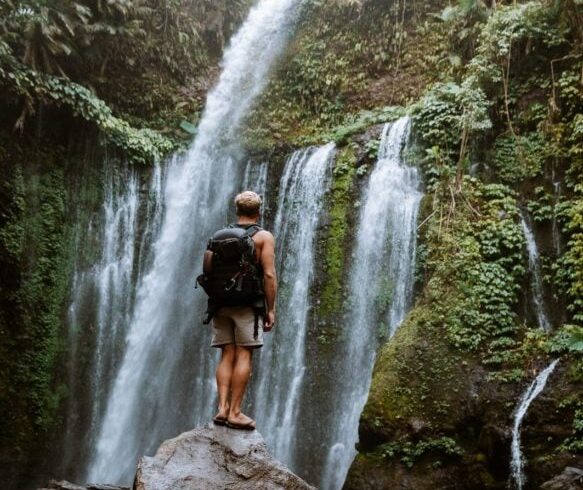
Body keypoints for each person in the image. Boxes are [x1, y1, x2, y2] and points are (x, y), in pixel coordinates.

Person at [210, 191, 277, 430]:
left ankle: (222, 409)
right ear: (258, 212)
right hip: (248, 304)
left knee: (226, 353)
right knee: (244, 353)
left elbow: (207, 266)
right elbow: (268, 274)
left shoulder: (220, 235)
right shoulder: (263, 236)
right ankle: (236, 412)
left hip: (220, 303)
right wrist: (271, 309)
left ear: (237, 211)